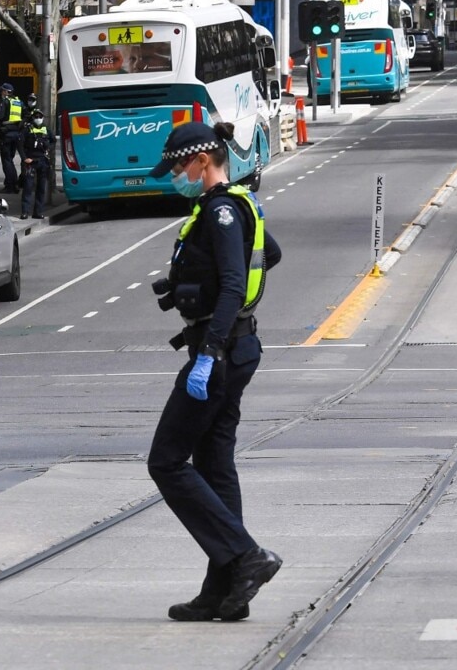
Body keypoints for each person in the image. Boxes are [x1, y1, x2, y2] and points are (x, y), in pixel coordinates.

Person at [146, 121, 284, 622]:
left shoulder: (222, 211)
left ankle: (247, 556)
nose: (175, 176)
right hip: (236, 347)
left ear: (203, 161)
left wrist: (210, 350)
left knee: (165, 460)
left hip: (219, 352)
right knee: (214, 463)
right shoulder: (235, 205)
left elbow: (231, 285)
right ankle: (226, 588)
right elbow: (270, 254)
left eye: (180, 166)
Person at [17, 109, 53, 219]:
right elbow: (20, 145)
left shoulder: (46, 129)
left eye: (40, 116)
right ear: (33, 118)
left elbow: (53, 141)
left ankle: (38, 212)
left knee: (41, 188)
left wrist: (48, 150)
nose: (38, 118)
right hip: (30, 162)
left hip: (42, 161)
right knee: (28, 187)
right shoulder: (27, 129)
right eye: (36, 116)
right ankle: (25, 212)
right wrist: (24, 158)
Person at [0, 83, 24, 193]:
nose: (1, 93)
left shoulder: (5, 102)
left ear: (7, 92)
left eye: (2, 91)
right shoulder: (19, 102)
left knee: (6, 161)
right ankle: (14, 184)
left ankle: (10, 186)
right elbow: (25, 115)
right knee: (10, 160)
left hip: (6, 134)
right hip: (16, 134)